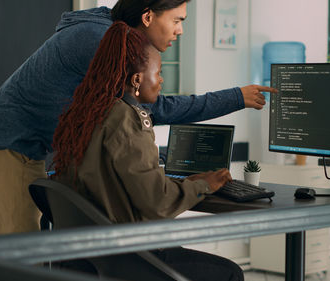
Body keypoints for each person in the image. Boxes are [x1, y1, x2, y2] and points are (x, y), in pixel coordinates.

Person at [0, 0, 277, 236]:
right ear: (148, 17)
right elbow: (152, 109)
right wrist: (236, 97)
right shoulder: (101, 40)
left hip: (8, 138)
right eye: (177, 20)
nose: (180, 30)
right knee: (21, 260)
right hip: (13, 145)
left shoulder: (107, 33)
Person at [52, 21, 242, 281]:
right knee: (231, 273)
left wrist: (185, 183)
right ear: (137, 79)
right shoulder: (126, 119)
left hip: (89, 255)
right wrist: (203, 186)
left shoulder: (84, 113)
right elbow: (157, 202)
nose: (161, 79)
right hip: (128, 257)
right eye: (159, 72)